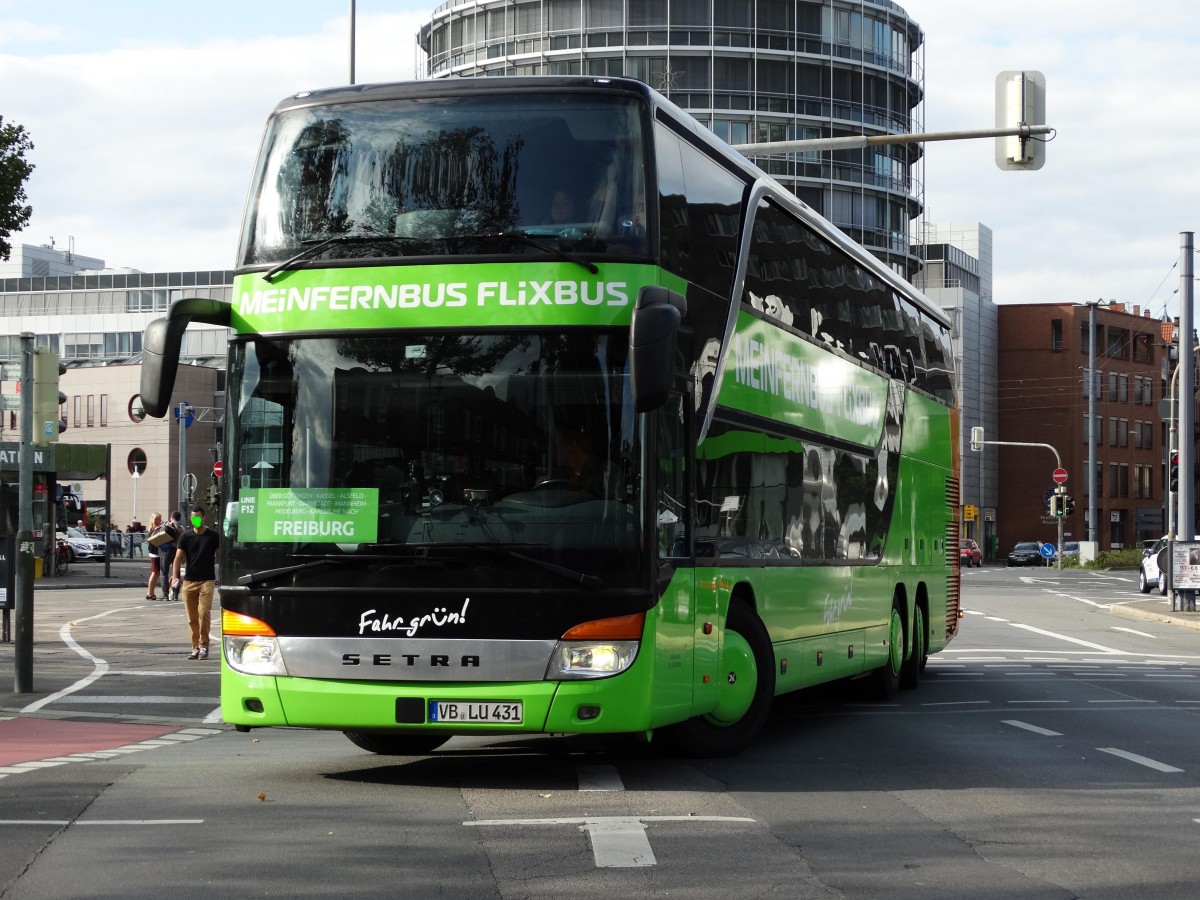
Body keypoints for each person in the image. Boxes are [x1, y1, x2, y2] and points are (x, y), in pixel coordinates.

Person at [170, 505, 220, 660]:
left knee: (203, 613)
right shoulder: (186, 536)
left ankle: (204, 645)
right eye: (192, 517)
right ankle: (195, 647)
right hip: (189, 581)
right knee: (192, 618)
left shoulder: (213, 536)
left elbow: (220, 555)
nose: (195, 520)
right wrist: (175, 576)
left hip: (207, 580)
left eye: (198, 517)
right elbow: (178, 557)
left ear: (203, 517)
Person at [155, 511, 183, 601]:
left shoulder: (166, 526)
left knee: (164, 573)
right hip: (177, 551)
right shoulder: (181, 528)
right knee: (176, 573)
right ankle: (175, 594)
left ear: (171, 517)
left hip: (165, 551)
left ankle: (165, 594)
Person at [144, 513, 164, 601]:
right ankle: (150, 592)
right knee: (155, 573)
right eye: (159, 519)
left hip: (155, 552)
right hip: (155, 553)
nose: (161, 521)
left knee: (156, 573)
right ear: (155, 520)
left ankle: (150, 592)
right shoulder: (154, 529)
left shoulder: (154, 528)